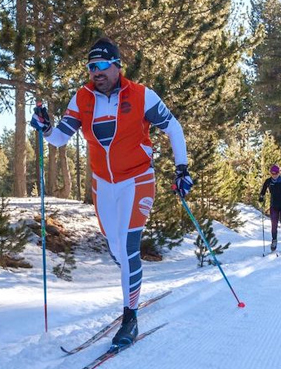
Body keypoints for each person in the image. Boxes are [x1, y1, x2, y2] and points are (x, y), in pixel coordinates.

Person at [29, 37, 191, 348]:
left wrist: (182, 168)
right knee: (116, 250)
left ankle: (129, 317)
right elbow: (60, 138)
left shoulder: (142, 95)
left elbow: (174, 128)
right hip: (103, 185)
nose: (96, 71)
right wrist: (46, 127)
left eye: (102, 65)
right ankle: (131, 281)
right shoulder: (83, 98)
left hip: (137, 179)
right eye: (91, 67)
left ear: (117, 66)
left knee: (129, 247)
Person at [259, 165, 281, 252]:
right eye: (272, 173)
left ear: (279, 173)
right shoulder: (268, 181)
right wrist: (261, 197)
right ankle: (274, 241)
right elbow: (263, 191)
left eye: (276, 173)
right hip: (274, 205)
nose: (274, 175)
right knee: (274, 224)